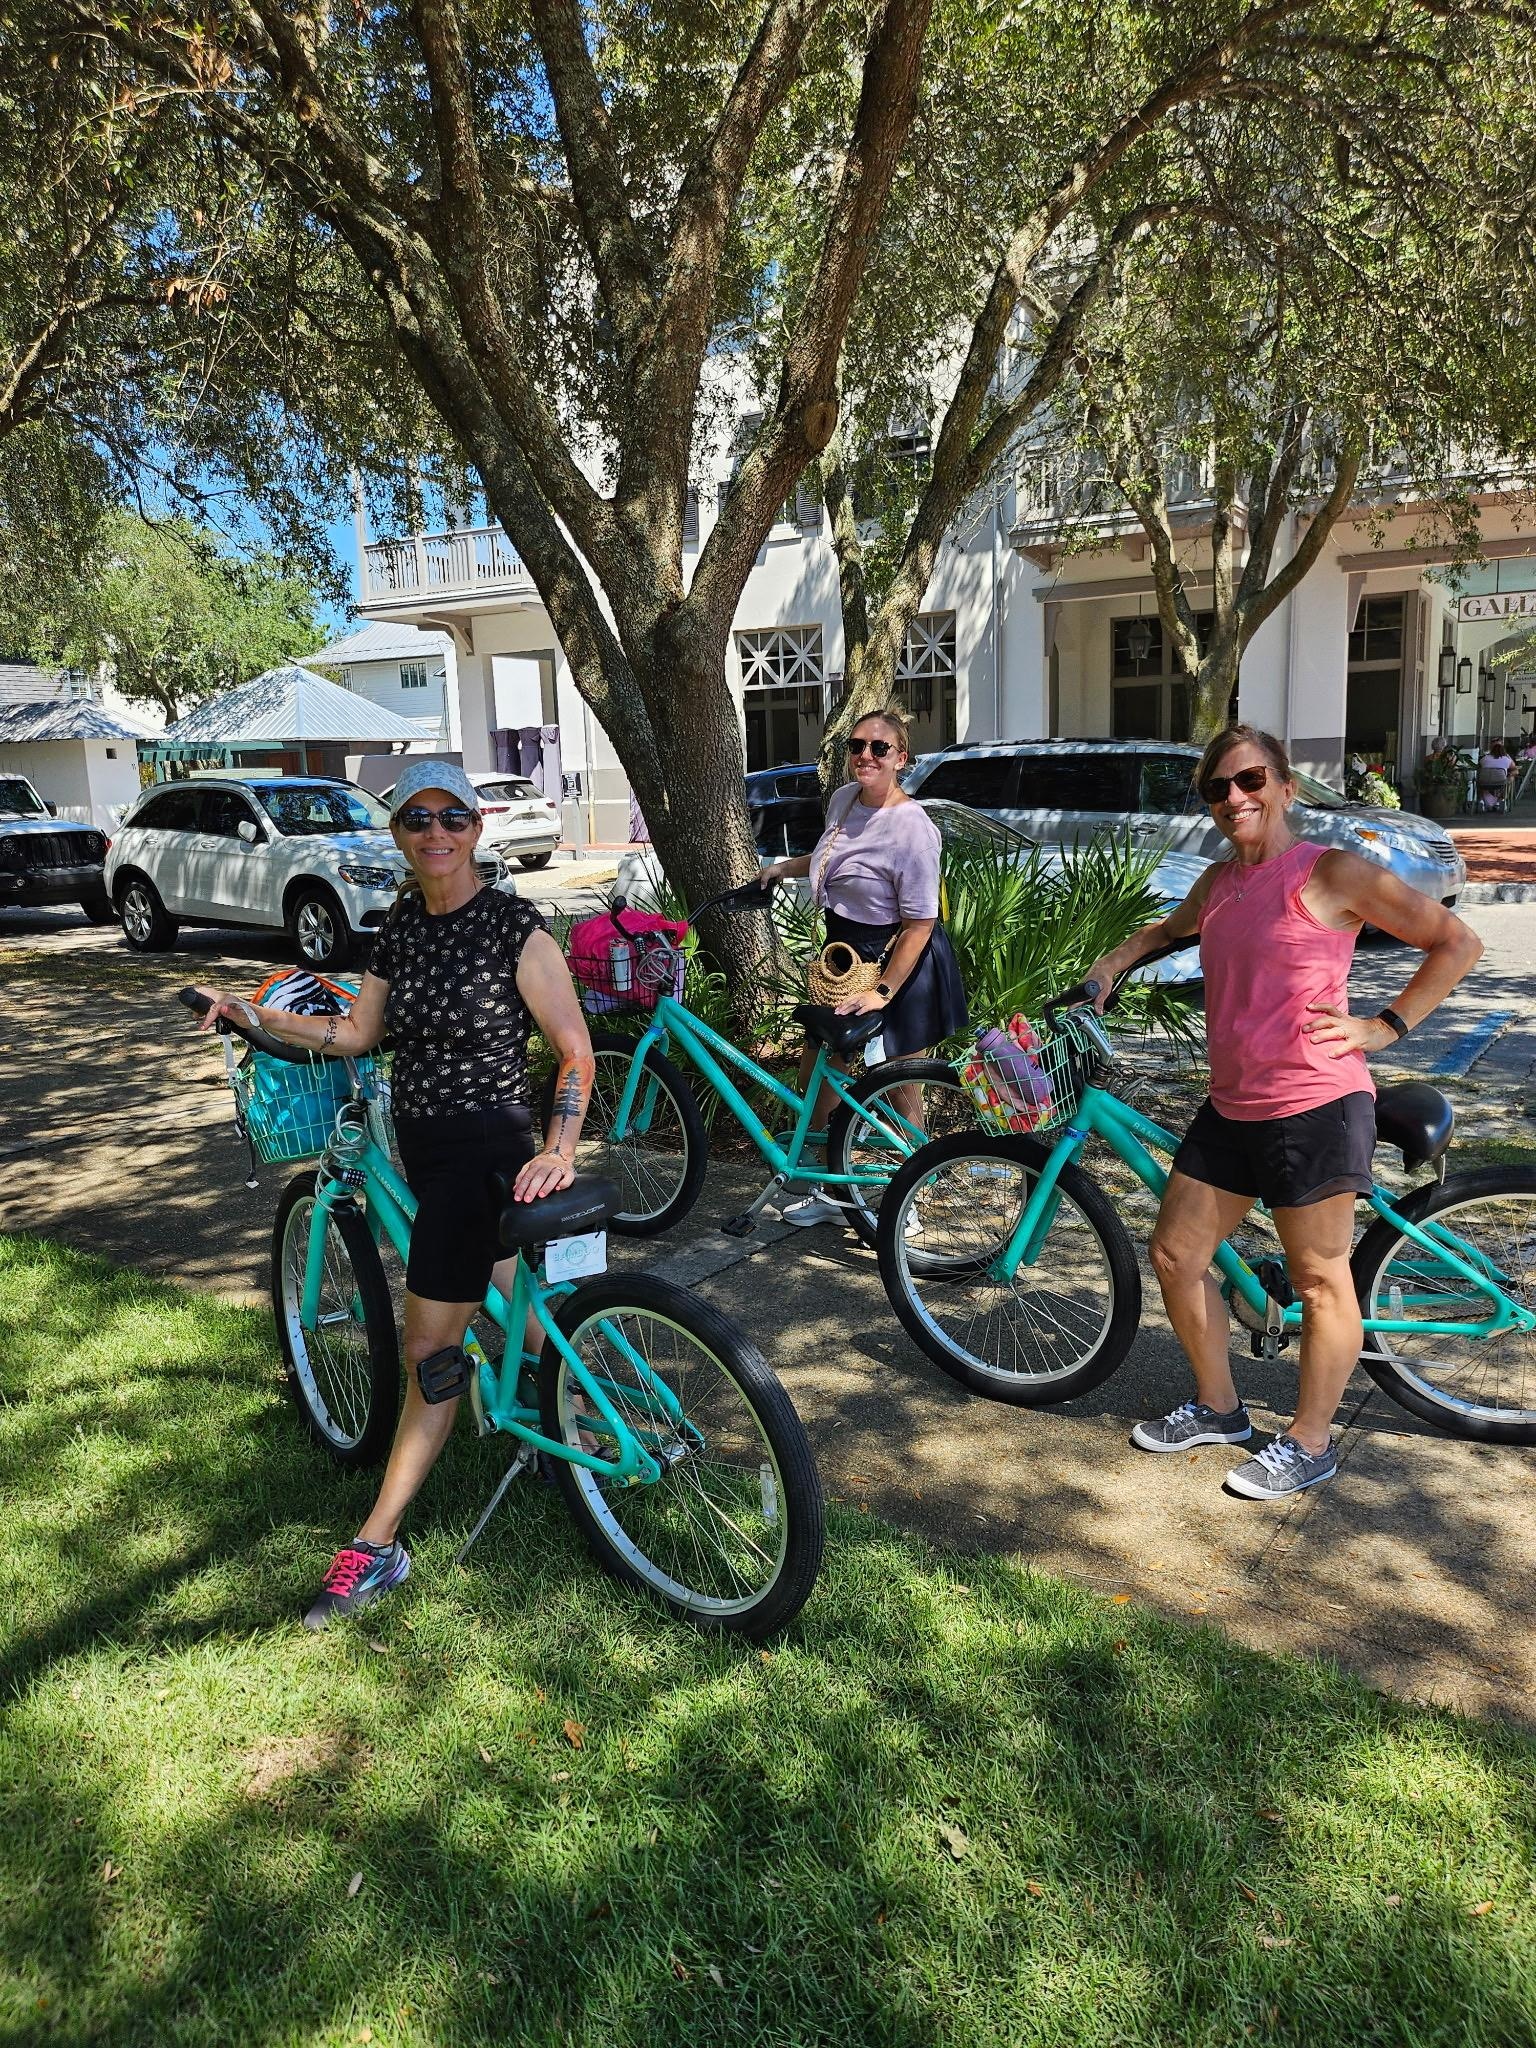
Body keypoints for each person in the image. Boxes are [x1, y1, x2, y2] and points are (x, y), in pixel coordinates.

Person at [194, 759, 595, 1624]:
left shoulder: (513, 927)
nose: (437, 833)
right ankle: (581, 1402)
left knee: (427, 1357)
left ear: (477, 829)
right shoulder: (404, 925)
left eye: (453, 817)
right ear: (399, 835)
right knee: (496, 1280)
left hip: (481, 1159)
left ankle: (378, 1543)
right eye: (418, 819)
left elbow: (574, 1049)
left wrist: (560, 1148)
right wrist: (249, 1013)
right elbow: (357, 1030)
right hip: (429, 1155)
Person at [1084, 725, 1482, 1501]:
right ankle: (1220, 1408)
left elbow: (1454, 941)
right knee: (1175, 1255)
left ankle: (1309, 1441)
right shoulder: (1222, 882)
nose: (1235, 797)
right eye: (1217, 788)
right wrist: (1108, 967)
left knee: (1320, 1278)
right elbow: (1167, 931)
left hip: (1315, 1103)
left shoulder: (1329, 872)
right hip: (1234, 1104)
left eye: (1250, 780)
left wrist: (1385, 1025)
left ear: (1286, 787)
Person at [758, 707, 967, 1226]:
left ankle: (909, 1200)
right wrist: (784, 867)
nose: (865, 756)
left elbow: (920, 923)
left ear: (901, 758)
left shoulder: (912, 829)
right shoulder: (844, 800)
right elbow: (833, 855)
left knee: (901, 1081)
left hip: (900, 959)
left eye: (879, 748)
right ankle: (835, 1189)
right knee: (820, 1073)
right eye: (857, 746)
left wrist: (884, 991)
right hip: (845, 955)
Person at [1478, 739, 1516, 810]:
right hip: (1500, 782)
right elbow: (1515, 771)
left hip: (1484, 782)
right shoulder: (1507, 759)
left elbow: (1479, 768)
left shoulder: (1484, 758)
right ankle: (1502, 800)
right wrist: (1510, 774)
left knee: (1479, 780)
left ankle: (1481, 800)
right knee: (1511, 779)